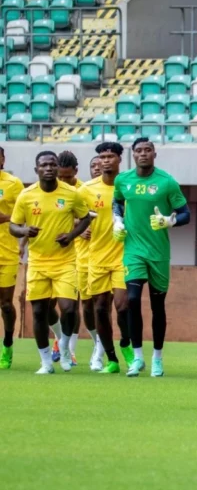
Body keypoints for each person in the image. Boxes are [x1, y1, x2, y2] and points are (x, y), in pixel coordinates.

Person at [113, 138, 191, 377]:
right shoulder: (122, 180)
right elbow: (117, 201)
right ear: (133, 155)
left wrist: (170, 220)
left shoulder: (167, 182)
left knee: (158, 306)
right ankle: (137, 358)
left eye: (148, 150)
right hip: (133, 250)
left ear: (154, 154)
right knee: (133, 299)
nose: (143, 154)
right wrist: (117, 220)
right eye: (138, 151)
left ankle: (157, 357)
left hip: (158, 252)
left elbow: (185, 213)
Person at [10, 151, 92, 373]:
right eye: (44, 165)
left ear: (57, 168)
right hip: (37, 262)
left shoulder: (71, 194)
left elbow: (86, 218)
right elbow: (13, 226)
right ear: (36, 169)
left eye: (52, 165)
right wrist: (25, 230)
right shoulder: (26, 196)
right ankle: (45, 361)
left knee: (69, 309)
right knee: (39, 312)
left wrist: (71, 235)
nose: (48, 168)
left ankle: (64, 348)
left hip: (65, 261)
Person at [79, 142, 134, 374]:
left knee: (122, 307)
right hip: (97, 257)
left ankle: (127, 347)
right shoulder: (86, 190)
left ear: (119, 159)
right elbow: (74, 217)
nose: (105, 160)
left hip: (124, 256)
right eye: (102, 157)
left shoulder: (130, 186)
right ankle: (111, 359)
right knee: (100, 309)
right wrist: (80, 229)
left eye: (110, 156)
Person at [56, 151, 103, 368]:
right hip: (57, 256)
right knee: (53, 306)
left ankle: (78, 348)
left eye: (67, 177)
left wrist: (82, 227)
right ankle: (61, 342)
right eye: (60, 177)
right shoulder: (51, 188)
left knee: (80, 306)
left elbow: (92, 216)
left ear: (75, 171)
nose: (63, 181)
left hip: (84, 255)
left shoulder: (84, 191)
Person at [0, 147, 24, 369]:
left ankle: (7, 342)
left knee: (6, 304)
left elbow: (21, 215)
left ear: (3, 158)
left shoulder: (13, 183)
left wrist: (5, 217)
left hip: (5, 251)